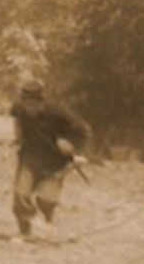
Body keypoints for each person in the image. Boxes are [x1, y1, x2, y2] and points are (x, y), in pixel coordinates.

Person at [9, 79, 91, 240]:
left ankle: (47, 224)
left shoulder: (57, 112)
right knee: (21, 193)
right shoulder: (18, 109)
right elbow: (16, 121)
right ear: (23, 102)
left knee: (47, 200)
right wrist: (18, 138)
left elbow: (83, 130)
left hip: (55, 162)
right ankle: (25, 232)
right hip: (30, 158)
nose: (30, 108)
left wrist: (71, 145)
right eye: (27, 104)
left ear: (42, 102)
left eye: (34, 104)